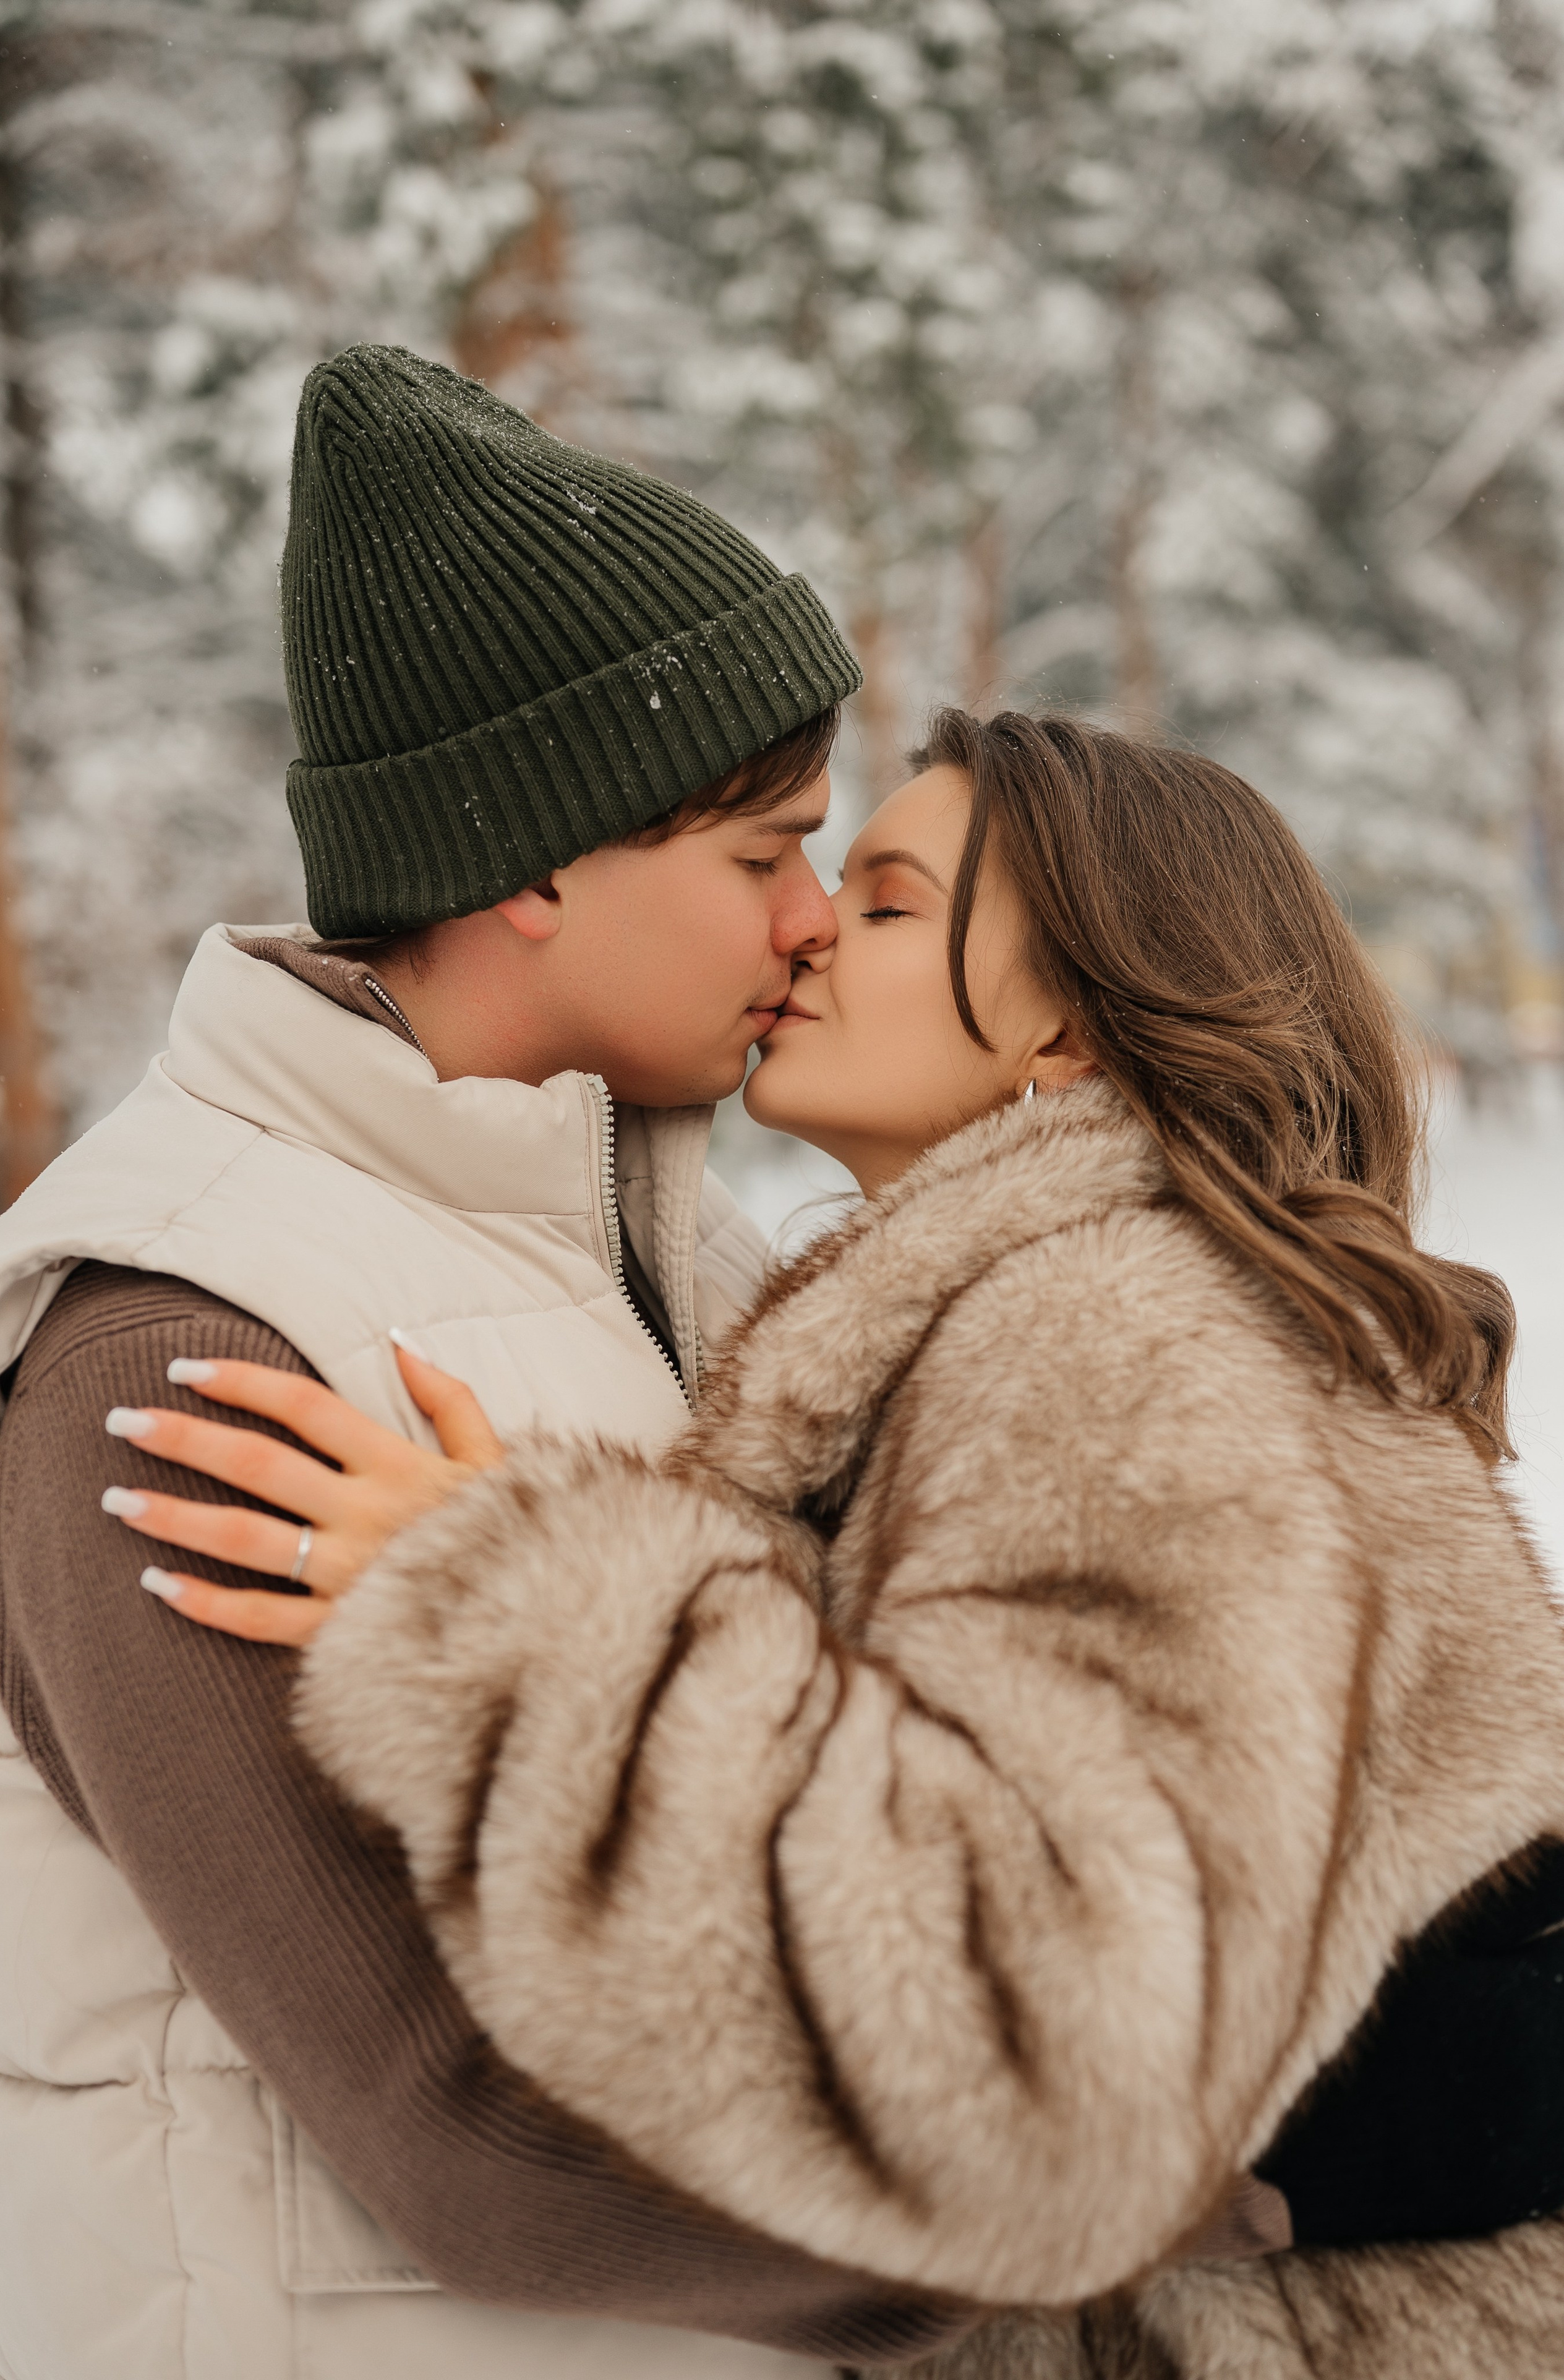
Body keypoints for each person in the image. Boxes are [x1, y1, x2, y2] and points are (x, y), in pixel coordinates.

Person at [117, 711, 1564, 2379]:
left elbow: (1039, 2072)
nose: (806, 925)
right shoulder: (1021, 1322)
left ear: (1073, 1042)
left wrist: (536, 1616)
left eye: (881, 902)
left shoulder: (1116, 1340)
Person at [0, 347, 975, 2379]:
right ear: (532, 863)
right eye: (759, 853)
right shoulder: (181, 1347)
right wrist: (1199, 2208)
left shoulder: (676, 1240)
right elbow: (473, 2135)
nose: (809, 919)